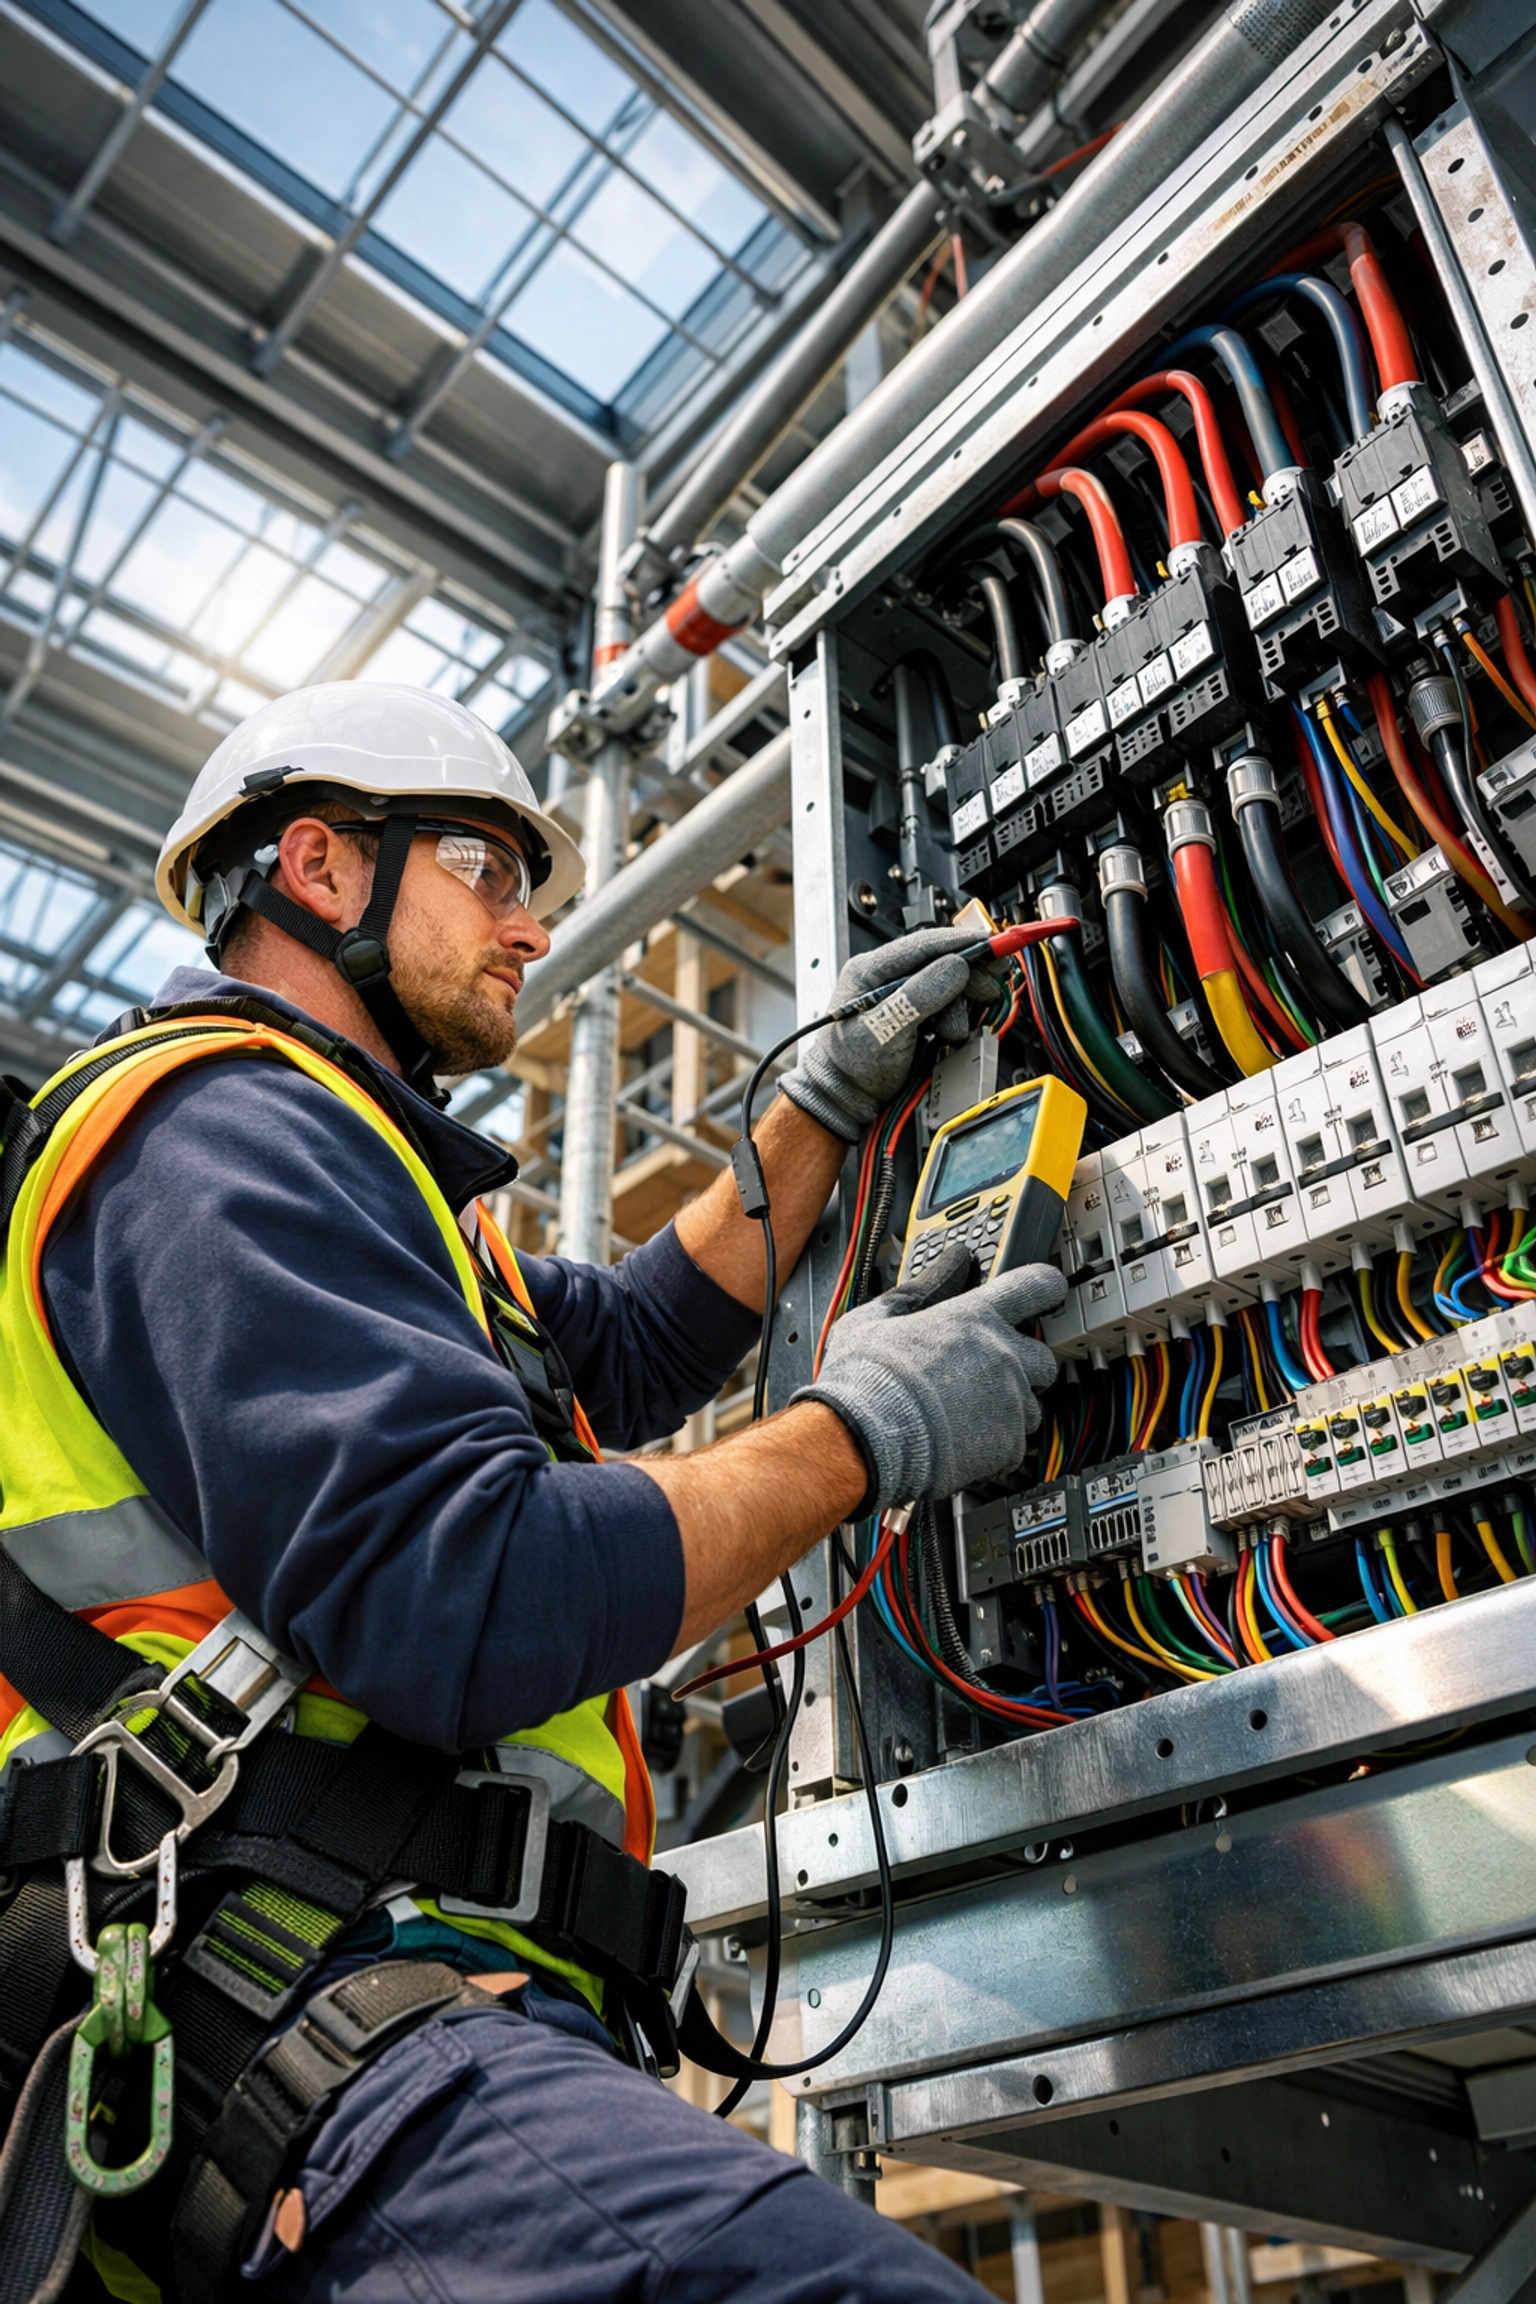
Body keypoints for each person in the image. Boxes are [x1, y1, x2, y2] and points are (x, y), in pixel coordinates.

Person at [0, 683, 1062, 2302]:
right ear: (321, 868)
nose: (527, 931)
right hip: (297, 2020)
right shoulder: (213, 1138)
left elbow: (626, 1344)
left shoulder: (371, 1180)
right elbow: (468, 1590)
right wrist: (863, 1433)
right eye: (490, 873)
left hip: (366, 2007)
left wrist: (817, 1112)